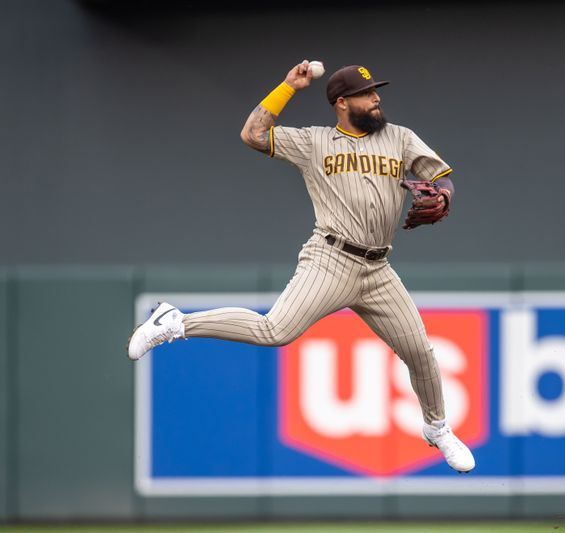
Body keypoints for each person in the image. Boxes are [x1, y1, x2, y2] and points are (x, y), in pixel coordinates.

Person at [127, 61, 474, 473]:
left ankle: (436, 428)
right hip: (331, 258)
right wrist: (288, 87)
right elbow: (253, 135)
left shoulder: (399, 137)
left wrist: (445, 197)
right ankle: (177, 322)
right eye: (366, 93)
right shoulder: (314, 142)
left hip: (378, 269)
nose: (376, 98)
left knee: (420, 352)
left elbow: (442, 176)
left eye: (376, 91)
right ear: (342, 103)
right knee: (275, 330)